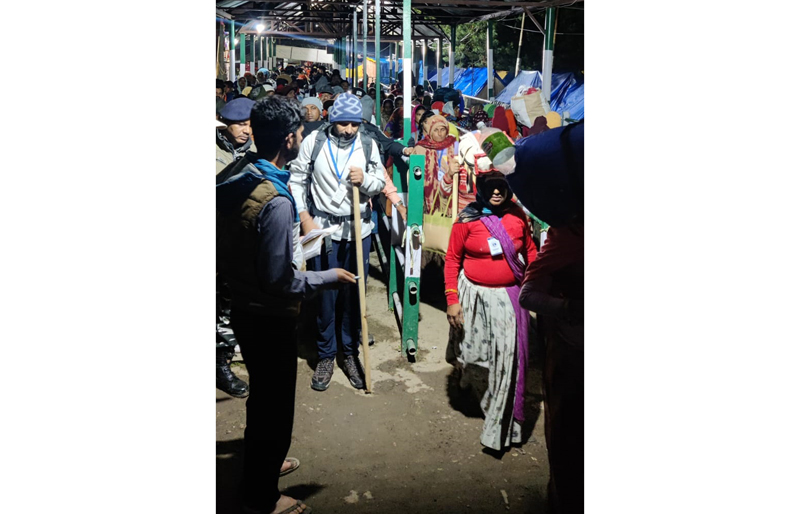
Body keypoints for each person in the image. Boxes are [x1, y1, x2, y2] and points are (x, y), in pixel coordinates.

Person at [216, 95, 356, 514]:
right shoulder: (275, 201)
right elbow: (279, 278)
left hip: (240, 301)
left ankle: (265, 464)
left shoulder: (240, 172)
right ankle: (262, 494)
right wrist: (325, 277)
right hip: (267, 313)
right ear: (292, 140)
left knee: (262, 397)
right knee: (274, 407)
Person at [288, 93, 385, 391]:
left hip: (358, 230)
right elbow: (296, 178)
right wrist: (305, 217)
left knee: (354, 294)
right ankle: (326, 354)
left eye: (354, 124)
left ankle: (350, 352)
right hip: (324, 230)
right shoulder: (314, 142)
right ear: (332, 119)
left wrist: (365, 181)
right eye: (343, 123)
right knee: (325, 294)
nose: (349, 130)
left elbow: (380, 181)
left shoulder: (368, 144)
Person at [515, 121, 584, 514]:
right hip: (574, 359)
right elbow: (529, 294)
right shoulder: (568, 235)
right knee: (571, 441)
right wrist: (571, 309)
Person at [444, 168, 538, 451]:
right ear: (480, 188)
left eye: (502, 187)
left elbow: (531, 252)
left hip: (508, 301)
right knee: (475, 356)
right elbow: (452, 260)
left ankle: (499, 425)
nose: (497, 192)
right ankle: (473, 385)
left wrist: (535, 281)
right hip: (474, 297)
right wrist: (452, 299)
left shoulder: (518, 216)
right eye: (491, 187)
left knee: (507, 362)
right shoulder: (467, 219)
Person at [216, 97, 257, 174]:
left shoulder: (256, 151)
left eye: (251, 126)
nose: (247, 131)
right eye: (241, 125)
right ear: (225, 122)